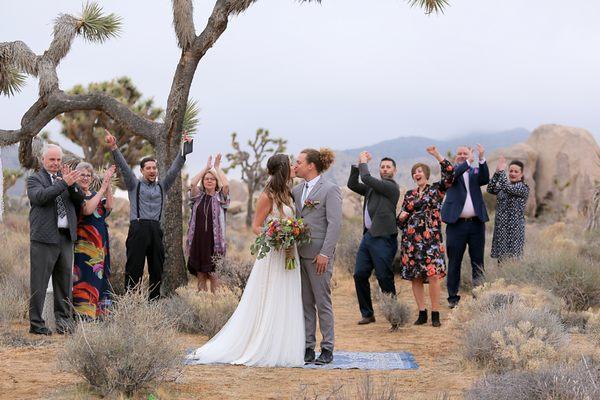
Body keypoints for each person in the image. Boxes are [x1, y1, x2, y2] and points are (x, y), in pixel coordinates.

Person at [186, 154, 304, 367]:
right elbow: (256, 226)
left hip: (289, 253)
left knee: (286, 296)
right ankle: (264, 343)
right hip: (273, 254)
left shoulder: (288, 193)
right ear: (283, 169)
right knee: (270, 296)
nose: (294, 166)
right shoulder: (267, 195)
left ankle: (283, 342)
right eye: (290, 163)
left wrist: (292, 233)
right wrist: (275, 235)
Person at [105, 129, 193, 300]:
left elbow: (175, 169)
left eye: (154, 168)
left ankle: (154, 301)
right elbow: (123, 167)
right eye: (149, 168)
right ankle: (130, 302)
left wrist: (185, 148)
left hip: (156, 231)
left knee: (157, 269)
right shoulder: (134, 184)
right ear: (142, 171)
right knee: (134, 268)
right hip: (138, 229)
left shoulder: (163, 185)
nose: (152, 171)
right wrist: (114, 147)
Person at [397, 146, 466, 327]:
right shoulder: (409, 194)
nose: (416, 174)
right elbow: (400, 221)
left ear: (426, 174)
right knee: (416, 277)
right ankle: (422, 312)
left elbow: (450, 174)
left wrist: (437, 156)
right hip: (411, 242)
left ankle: (435, 313)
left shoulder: (436, 190)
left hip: (431, 241)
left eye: (419, 171)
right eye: (414, 172)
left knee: (433, 276)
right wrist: (402, 216)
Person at [27, 144, 84, 335]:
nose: (56, 163)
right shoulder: (35, 179)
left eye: (58, 160)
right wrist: (63, 184)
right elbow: (41, 197)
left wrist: (73, 185)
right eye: (52, 159)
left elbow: (79, 201)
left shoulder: (65, 179)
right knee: (39, 282)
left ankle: (63, 322)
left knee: (64, 282)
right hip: (44, 238)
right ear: (43, 160)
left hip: (65, 237)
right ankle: (36, 324)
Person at [293, 148, 342, 365]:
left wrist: (325, 253)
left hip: (319, 256)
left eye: (299, 162)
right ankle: (308, 347)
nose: (296, 165)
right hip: (299, 254)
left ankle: (328, 348)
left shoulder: (330, 189)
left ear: (311, 165)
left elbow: (335, 225)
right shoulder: (296, 190)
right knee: (305, 303)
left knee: (323, 302)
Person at [347, 151, 399, 326]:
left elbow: (367, 178)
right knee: (359, 274)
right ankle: (367, 314)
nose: (385, 169)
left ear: (394, 170)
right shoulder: (373, 187)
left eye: (388, 167)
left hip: (384, 238)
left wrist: (364, 163)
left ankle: (394, 315)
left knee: (384, 277)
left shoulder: (391, 187)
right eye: (382, 167)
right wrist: (357, 165)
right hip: (368, 237)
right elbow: (353, 184)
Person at [441, 144, 489, 308]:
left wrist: (481, 159)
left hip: (476, 224)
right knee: (454, 261)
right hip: (456, 225)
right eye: (459, 153)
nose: (462, 155)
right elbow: (452, 176)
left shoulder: (475, 171)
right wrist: (467, 161)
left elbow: (485, 179)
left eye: (465, 153)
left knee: (478, 262)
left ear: (471, 155)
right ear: (456, 157)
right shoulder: (450, 172)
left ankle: (480, 296)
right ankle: (453, 298)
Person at [72, 163, 115, 319]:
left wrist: (108, 185)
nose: (85, 178)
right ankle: (84, 314)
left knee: (100, 277)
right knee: (86, 278)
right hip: (84, 245)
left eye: (88, 175)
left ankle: (101, 313)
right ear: (76, 176)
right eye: (82, 175)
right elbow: (88, 210)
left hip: (100, 245)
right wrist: (103, 189)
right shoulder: (76, 193)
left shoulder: (96, 193)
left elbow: (109, 207)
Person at [186, 154, 230, 292]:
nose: (209, 181)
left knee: (214, 275)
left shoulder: (220, 198)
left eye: (212, 179)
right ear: (203, 181)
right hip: (198, 242)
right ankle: (202, 306)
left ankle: (214, 307)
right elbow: (193, 183)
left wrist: (216, 167)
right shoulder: (197, 197)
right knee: (200, 275)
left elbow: (226, 184)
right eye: (206, 179)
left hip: (215, 243)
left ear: (216, 183)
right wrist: (206, 168)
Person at [487, 156, 530, 262]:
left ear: (521, 174)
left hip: (514, 231)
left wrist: (502, 172)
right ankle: (502, 278)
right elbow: (490, 188)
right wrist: (497, 172)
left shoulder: (522, 187)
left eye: (516, 171)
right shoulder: (504, 185)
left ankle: (513, 279)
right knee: (501, 261)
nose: (513, 173)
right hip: (501, 229)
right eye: (510, 171)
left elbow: (507, 188)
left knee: (513, 260)